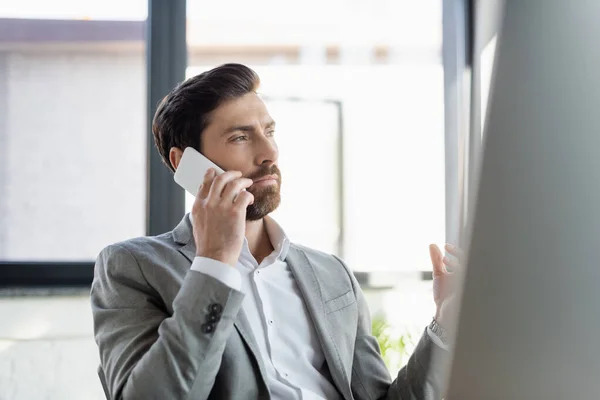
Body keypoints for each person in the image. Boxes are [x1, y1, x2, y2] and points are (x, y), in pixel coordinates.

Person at [91, 63, 458, 400]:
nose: (269, 152)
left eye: (269, 131)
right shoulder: (133, 266)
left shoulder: (332, 274)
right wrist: (215, 263)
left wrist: (444, 323)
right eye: (240, 137)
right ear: (185, 163)